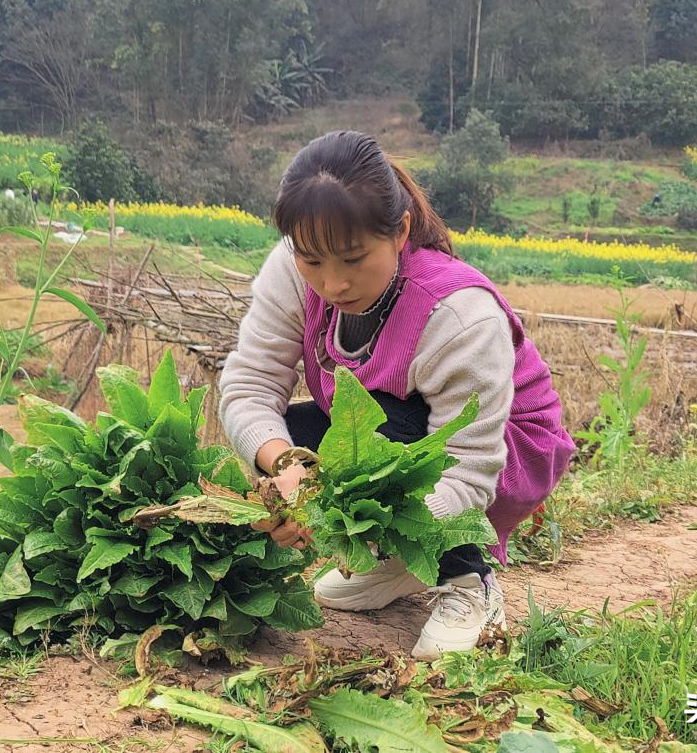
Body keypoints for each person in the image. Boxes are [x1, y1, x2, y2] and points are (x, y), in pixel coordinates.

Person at [218, 130, 575, 659]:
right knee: (295, 433)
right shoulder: (292, 273)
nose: (333, 283)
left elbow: (469, 467)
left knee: (379, 427)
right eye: (312, 261)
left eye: (354, 258)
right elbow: (249, 386)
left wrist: (365, 524)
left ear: (400, 230)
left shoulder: (456, 315)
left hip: (507, 450)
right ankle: (401, 565)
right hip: (395, 434)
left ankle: (469, 581)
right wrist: (290, 471)